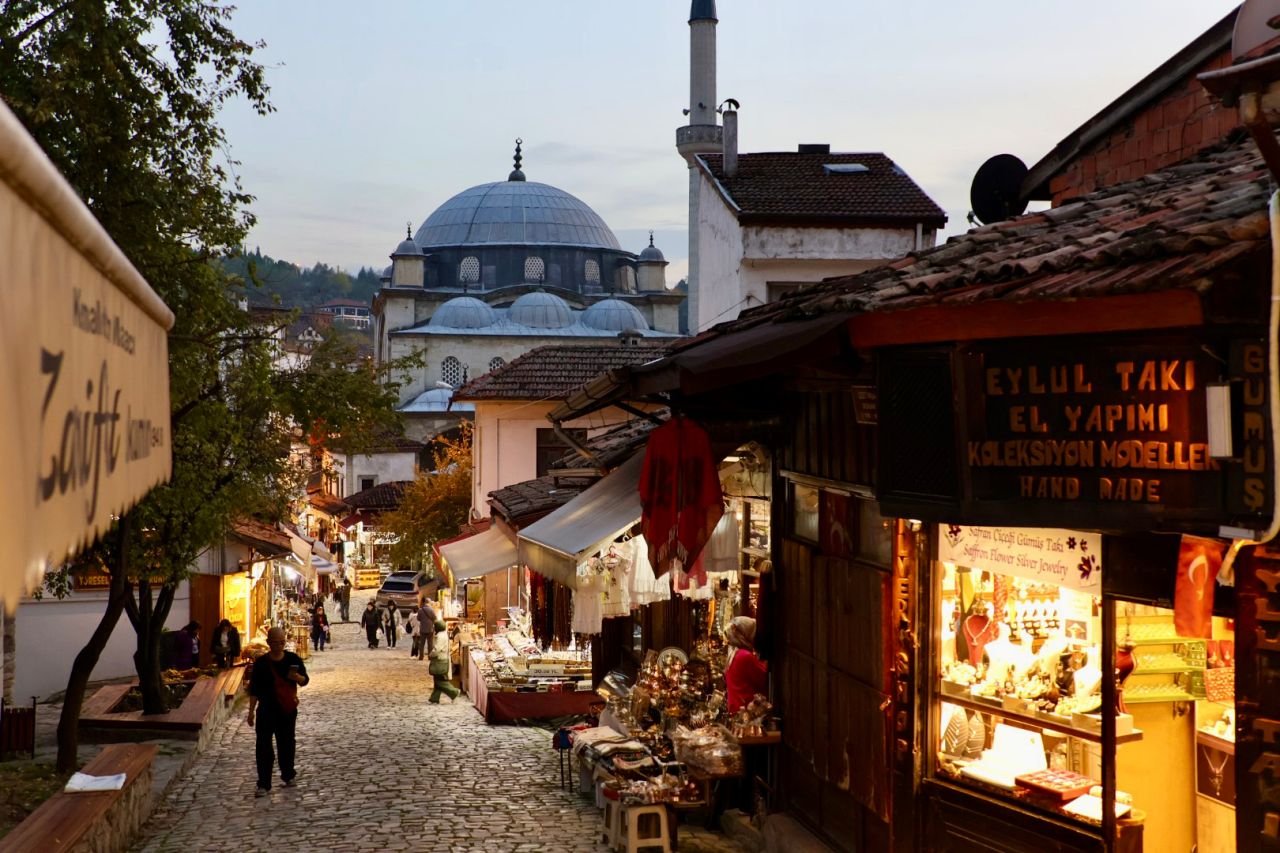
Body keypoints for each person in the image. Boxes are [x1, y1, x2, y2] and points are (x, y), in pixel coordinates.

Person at [247, 627, 309, 797]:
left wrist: (297, 678)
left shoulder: (292, 659)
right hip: (266, 710)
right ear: (269, 643)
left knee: (287, 743)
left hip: (286, 710)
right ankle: (264, 783)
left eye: (282, 642)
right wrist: (251, 711)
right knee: (263, 746)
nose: (279, 645)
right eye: (275, 642)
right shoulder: (261, 663)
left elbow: (305, 680)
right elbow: (254, 689)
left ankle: (288, 775)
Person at [724, 616, 768, 713]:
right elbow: (765, 678)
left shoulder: (735, 653)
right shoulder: (744, 656)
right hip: (746, 715)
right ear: (746, 635)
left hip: (737, 712)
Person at [427, 620, 460, 704]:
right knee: (438, 679)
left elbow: (437, 649)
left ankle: (454, 692)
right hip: (442, 659)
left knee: (439, 680)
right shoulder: (443, 634)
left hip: (440, 660)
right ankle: (434, 698)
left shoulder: (440, 636)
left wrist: (431, 655)